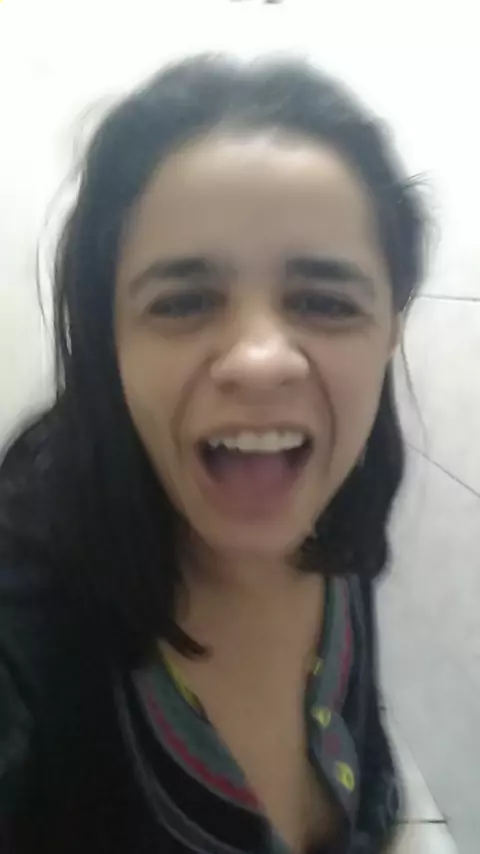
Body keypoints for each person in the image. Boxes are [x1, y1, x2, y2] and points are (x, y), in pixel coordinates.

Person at [0, 55, 425, 854]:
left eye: (324, 301)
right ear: (111, 343)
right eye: (185, 301)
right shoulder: (23, 636)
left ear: (388, 332)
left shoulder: (337, 516)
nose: (260, 361)